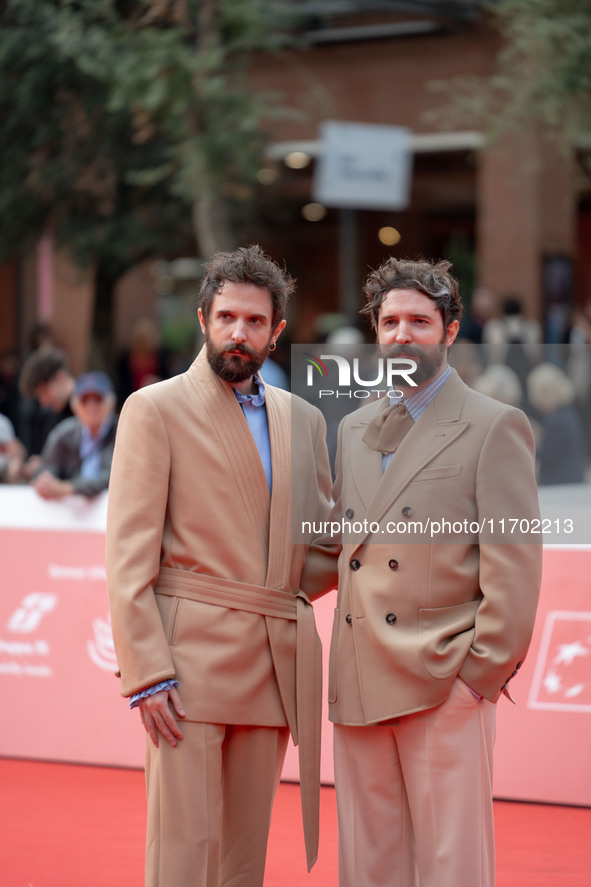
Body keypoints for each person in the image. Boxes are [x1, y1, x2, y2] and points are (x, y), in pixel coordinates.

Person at [303, 256, 543, 887]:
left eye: (418, 321)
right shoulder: (352, 427)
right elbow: (339, 547)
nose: (402, 335)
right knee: (369, 865)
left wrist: (477, 678)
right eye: (389, 323)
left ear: (451, 331)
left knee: (451, 866)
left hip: (443, 679)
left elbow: (515, 570)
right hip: (358, 677)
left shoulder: (495, 426)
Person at [105, 245, 332, 887]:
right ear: (203, 319)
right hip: (184, 668)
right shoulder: (154, 409)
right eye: (227, 316)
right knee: (184, 853)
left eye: (255, 321)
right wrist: (145, 673)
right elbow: (127, 556)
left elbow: (316, 549)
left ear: (276, 330)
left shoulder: (305, 421)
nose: (240, 332)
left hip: (271, 662)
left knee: (243, 857)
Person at [31, 371, 118, 500]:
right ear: (75, 405)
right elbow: (47, 467)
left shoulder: (122, 433)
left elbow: (112, 477)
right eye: (84, 400)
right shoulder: (64, 433)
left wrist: (67, 488)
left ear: (110, 403)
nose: (91, 406)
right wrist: (45, 481)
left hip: (109, 510)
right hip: (68, 513)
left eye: (98, 398)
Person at [18, 347, 76, 458]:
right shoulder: (53, 415)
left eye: (44, 392)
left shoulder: (89, 408)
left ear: (61, 378)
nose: (43, 401)